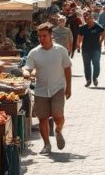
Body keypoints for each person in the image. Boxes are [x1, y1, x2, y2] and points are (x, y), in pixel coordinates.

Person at [24, 23, 72, 154]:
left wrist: (69, 88)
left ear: (51, 35)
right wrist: (27, 73)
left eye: (44, 36)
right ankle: (46, 144)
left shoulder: (60, 50)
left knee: (58, 115)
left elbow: (67, 68)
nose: (41, 38)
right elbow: (28, 67)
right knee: (42, 118)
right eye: (39, 36)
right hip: (40, 90)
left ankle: (58, 130)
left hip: (58, 88)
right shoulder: (34, 52)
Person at [76, 11, 105, 87]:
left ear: (93, 19)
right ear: (85, 20)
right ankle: (88, 80)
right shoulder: (82, 28)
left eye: (90, 18)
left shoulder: (97, 26)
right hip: (85, 49)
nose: (89, 20)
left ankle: (95, 77)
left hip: (96, 49)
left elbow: (103, 33)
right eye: (87, 19)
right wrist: (78, 45)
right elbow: (79, 37)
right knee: (86, 65)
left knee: (96, 64)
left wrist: (101, 41)